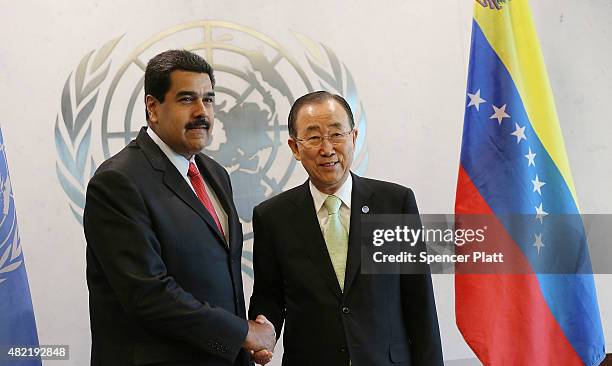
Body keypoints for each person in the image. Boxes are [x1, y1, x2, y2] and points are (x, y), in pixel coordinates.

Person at [84, 50, 274, 366]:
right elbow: (149, 295)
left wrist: (240, 342)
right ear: (153, 107)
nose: (203, 112)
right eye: (187, 99)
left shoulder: (214, 173)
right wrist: (242, 333)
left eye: (209, 100)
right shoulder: (118, 182)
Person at [248, 91, 443, 365]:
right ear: (294, 147)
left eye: (336, 134)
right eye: (314, 137)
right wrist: (263, 333)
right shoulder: (272, 217)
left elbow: (420, 303)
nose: (327, 149)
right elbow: (269, 295)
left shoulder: (394, 203)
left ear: (353, 137)